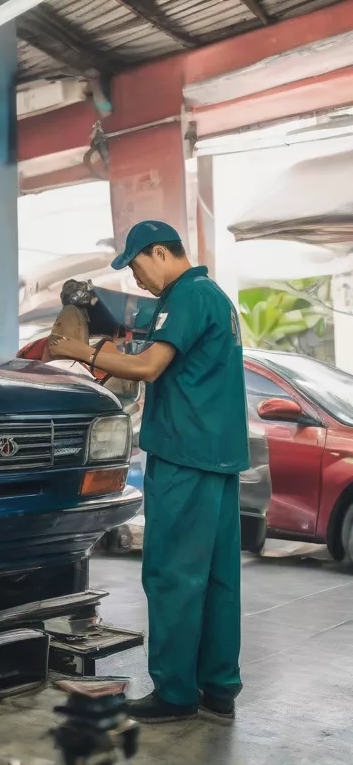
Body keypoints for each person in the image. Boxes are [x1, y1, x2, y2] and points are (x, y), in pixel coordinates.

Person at [48, 221, 248, 724]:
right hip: (218, 459)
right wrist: (101, 326)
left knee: (172, 576)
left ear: (159, 253)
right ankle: (218, 688)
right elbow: (143, 341)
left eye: (136, 266)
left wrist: (78, 350)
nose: (136, 278)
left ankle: (175, 694)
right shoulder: (212, 297)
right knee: (217, 579)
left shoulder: (186, 297)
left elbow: (150, 366)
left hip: (184, 457)